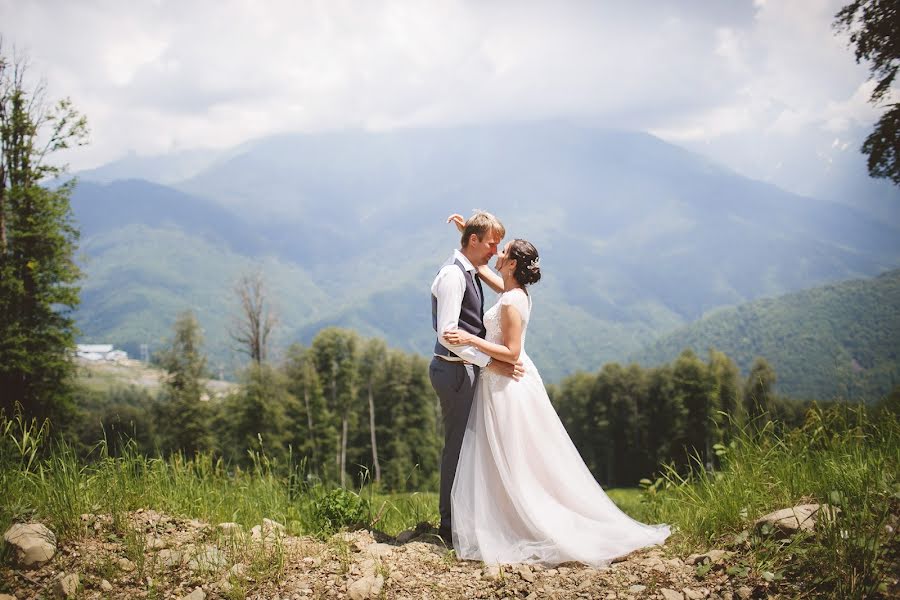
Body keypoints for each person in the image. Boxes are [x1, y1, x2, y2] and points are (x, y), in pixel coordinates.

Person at [442, 222, 671, 567]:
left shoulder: (509, 303)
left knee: (514, 455)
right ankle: (511, 514)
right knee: (514, 454)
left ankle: (522, 519)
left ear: (513, 265)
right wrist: (470, 234)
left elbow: (513, 353)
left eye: (502, 252)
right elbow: (481, 269)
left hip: (507, 382)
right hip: (502, 381)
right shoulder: (511, 292)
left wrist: (470, 339)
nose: (497, 253)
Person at [429, 210, 524, 545]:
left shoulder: (470, 269)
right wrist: (490, 364)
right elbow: (447, 335)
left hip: (463, 368)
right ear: (473, 240)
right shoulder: (454, 277)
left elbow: (484, 266)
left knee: (468, 444)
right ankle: (448, 525)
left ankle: (462, 519)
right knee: (457, 446)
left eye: (500, 247)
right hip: (454, 370)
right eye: (490, 243)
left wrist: (470, 236)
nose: (495, 251)